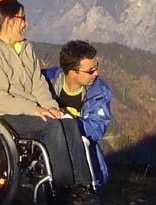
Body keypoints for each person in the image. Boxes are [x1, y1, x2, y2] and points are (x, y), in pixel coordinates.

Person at [0, 0, 99, 205]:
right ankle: (63, 187)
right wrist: (34, 109)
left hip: (29, 111)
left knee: (67, 122)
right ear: (10, 22)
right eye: (23, 19)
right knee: (51, 126)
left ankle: (82, 186)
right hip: (4, 115)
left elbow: (38, 84)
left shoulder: (25, 48)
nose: (26, 24)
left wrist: (52, 107)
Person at [43, 41, 112, 192]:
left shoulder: (99, 92)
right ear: (72, 72)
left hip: (81, 147)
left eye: (96, 67)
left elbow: (97, 129)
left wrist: (67, 121)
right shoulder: (44, 82)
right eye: (90, 71)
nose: (96, 73)